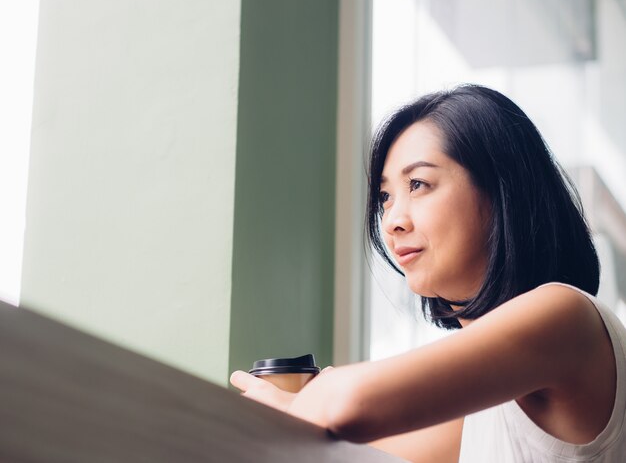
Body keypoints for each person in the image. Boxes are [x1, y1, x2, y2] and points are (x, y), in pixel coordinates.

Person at [230, 85, 626, 462]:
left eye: (418, 184)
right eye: (385, 197)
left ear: (501, 192)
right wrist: (293, 409)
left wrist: (294, 406)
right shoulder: (480, 413)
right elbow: (336, 447)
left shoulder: (566, 316)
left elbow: (344, 405)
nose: (392, 222)